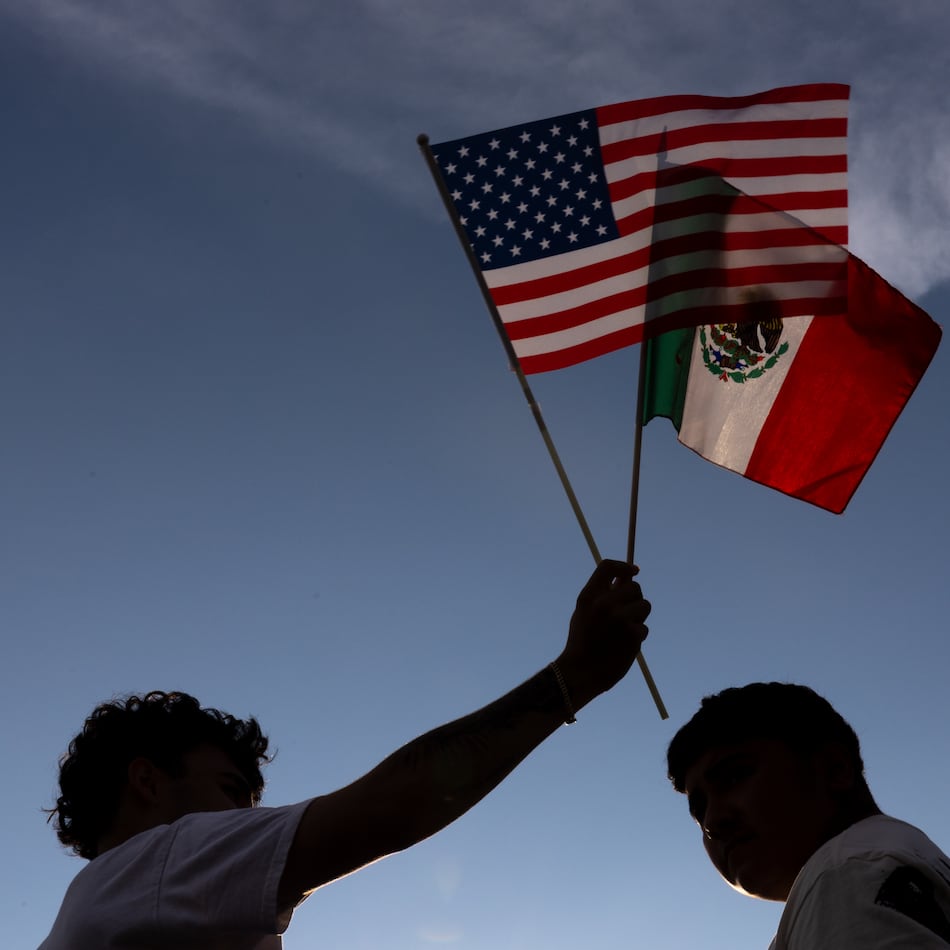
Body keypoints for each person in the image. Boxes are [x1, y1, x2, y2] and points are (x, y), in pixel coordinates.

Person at [39, 559, 651, 950]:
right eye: (229, 790)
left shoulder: (106, 911)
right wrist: (575, 676)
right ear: (147, 780)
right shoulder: (150, 869)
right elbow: (389, 808)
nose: (245, 818)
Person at [668, 682, 950, 948]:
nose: (712, 821)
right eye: (699, 809)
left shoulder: (845, 873)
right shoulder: (892, 862)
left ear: (835, 769)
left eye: (734, 776)